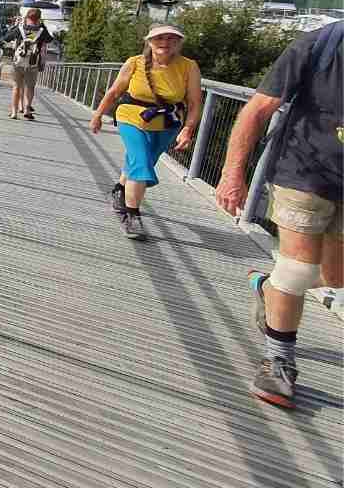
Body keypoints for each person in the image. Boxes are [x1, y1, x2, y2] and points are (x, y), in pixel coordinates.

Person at [215, 21, 343, 409]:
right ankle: (277, 362)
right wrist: (232, 173)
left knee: (335, 276)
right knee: (300, 270)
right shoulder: (320, 45)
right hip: (302, 169)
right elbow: (257, 109)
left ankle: (269, 286)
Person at [90, 24, 201, 239]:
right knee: (140, 162)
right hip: (131, 115)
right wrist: (97, 115)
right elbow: (114, 92)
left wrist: (187, 129)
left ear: (179, 43)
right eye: (159, 38)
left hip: (167, 122)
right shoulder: (135, 63)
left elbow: (195, 102)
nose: (165, 43)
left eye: (171, 39)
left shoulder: (189, 67)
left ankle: (119, 191)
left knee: (140, 161)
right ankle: (132, 216)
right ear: (149, 41)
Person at [1, 8, 52, 119]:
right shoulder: (41, 31)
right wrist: (42, 26)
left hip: (18, 63)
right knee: (30, 87)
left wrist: (17, 25)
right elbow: (49, 40)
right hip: (32, 63)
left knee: (16, 87)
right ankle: (27, 109)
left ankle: (14, 112)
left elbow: (6, 38)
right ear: (39, 19)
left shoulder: (20, 28)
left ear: (27, 17)